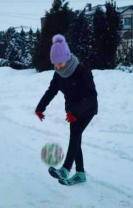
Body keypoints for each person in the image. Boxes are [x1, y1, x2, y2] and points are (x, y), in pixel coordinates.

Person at [35, 34, 98, 185]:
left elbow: (91, 96)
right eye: (56, 64)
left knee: (75, 135)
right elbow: (51, 91)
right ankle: (80, 174)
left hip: (87, 108)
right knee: (76, 139)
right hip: (72, 111)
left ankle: (65, 169)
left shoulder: (82, 71)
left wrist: (76, 112)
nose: (59, 67)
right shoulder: (58, 74)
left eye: (61, 63)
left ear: (68, 57)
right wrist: (40, 107)